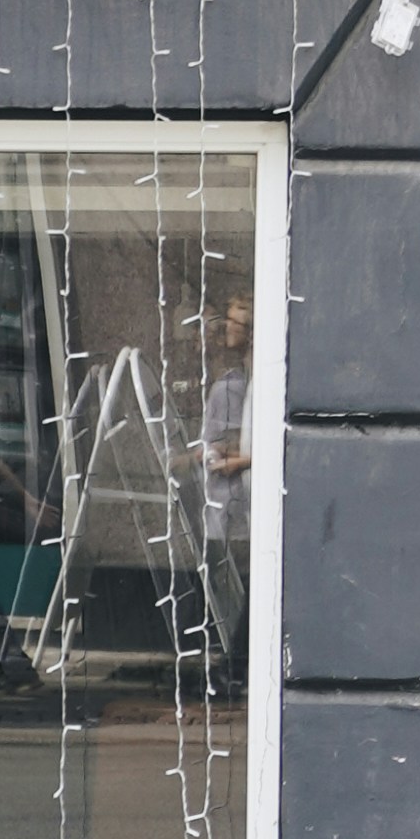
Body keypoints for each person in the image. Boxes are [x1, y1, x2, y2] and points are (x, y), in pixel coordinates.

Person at [197, 291, 253, 686]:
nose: (228, 329)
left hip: (251, 495)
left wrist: (241, 460)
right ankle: (235, 662)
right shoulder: (241, 378)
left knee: (250, 578)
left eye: (237, 322)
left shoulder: (258, 376)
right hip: (243, 492)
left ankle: (236, 666)